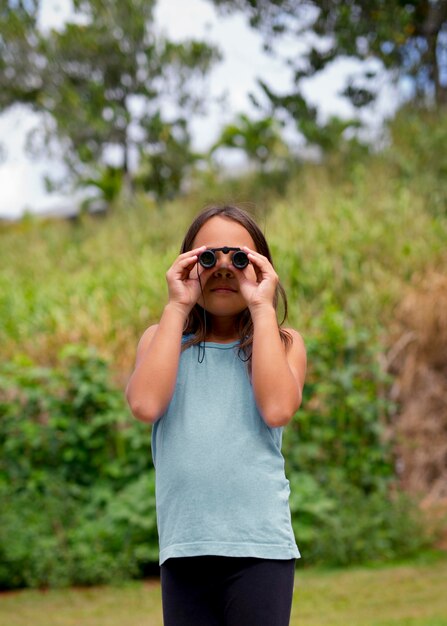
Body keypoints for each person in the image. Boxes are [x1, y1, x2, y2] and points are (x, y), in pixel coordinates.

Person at [126, 204, 307, 626]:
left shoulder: (282, 342)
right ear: (188, 263)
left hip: (260, 548)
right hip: (184, 546)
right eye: (209, 257)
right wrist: (176, 306)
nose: (224, 269)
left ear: (263, 268)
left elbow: (278, 409)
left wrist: (262, 308)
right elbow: (145, 405)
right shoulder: (162, 339)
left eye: (239, 259)